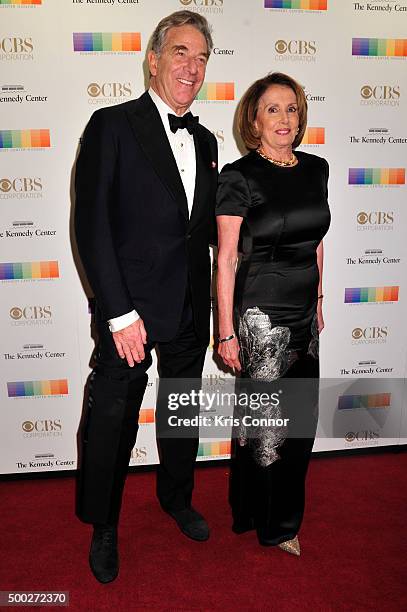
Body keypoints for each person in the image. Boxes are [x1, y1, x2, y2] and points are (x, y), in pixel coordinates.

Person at [74, 11, 218, 583]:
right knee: (111, 418)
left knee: (182, 410)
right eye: (181, 52)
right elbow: (91, 225)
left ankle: (177, 498)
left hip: (188, 302)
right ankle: (104, 524)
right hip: (128, 308)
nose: (192, 66)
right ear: (153, 60)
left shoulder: (206, 140)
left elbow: (203, 230)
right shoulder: (112, 124)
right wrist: (118, 311)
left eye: (202, 57)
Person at [215, 72, 330, 555]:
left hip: (304, 310)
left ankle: (266, 513)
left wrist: (320, 300)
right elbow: (226, 258)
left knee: (299, 420)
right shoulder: (238, 176)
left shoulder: (317, 168)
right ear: (254, 121)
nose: (284, 119)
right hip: (260, 312)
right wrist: (225, 331)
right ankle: (267, 521)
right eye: (273, 110)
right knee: (264, 423)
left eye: (291, 109)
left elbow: (318, 240)